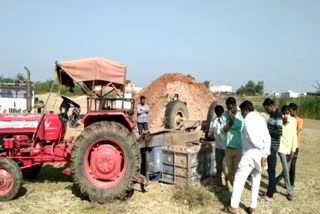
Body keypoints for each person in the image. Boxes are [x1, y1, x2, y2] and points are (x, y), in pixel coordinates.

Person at [228, 101, 271, 214]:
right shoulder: (261, 119)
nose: (241, 114)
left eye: (241, 112)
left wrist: (260, 149)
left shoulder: (247, 120)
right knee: (256, 180)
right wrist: (264, 154)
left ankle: (234, 206)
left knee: (239, 179)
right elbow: (267, 137)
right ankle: (252, 207)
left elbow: (253, 139)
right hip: (260, 154)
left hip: (250, 154)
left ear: (246, 110)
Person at [262, 98, 283, 202]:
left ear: (271, 106)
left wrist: (266, 130)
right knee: (271, 170)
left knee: (271, 171)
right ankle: (273, 190)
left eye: (266, 109)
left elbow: (279, 132)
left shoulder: (278, 116)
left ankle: (269, 195)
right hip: (269, 146)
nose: (266, 111)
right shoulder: (272, 115)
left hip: (273, 147)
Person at [221, 97, 244, 186]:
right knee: (226, 170)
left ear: (235, 106)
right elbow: (223, 129)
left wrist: (234, 120)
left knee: (236, 170)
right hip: (228, 147)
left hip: (238, 148)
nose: (230, 110)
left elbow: (242, 129)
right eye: (228, 108)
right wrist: (231, 121)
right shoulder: (225, 115)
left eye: (231, 108)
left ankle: (234, 187)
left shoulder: (241, 115)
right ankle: (228, 181)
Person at [276, 105, 297, 201]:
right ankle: (290, 192)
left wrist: (293, 149)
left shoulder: (293, 121)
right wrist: (281, 123)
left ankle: (274, 182)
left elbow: (294, 136)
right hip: (281, 149)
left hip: (290, 149)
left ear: (290, 113)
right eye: (284, 113)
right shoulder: (279, 120)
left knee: (286, 170)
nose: (286, 115)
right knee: (286, 169)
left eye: (287, 113)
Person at [208, 105, 226, 191]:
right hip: (223, 147)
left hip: (223, 147)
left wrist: (212, 134)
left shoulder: (216, 120)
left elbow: (209, 134)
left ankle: (222, 185)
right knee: (222, 167)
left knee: (221, 168)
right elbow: (210, 133)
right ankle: (223, 185)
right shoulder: (216, 120)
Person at [288, 103, 303, 187]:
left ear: (295, 111)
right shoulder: (288, 119)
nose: (289, 112)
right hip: (288, 145)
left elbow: (298, 131)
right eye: (289, 111)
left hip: (295, 146)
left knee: (292, 165)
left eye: (291, 111)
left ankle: (291, 183)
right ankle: (288, 181)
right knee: (287, 165)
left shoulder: (299, 120)